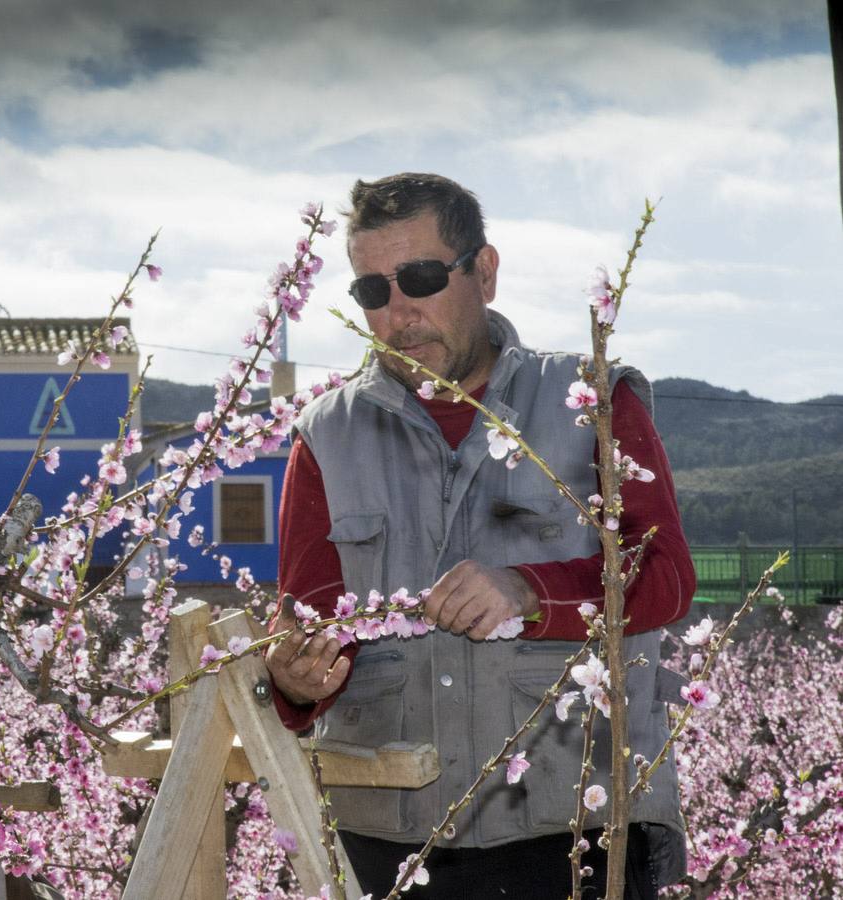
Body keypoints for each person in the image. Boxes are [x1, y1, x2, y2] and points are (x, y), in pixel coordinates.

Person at [264, 174, 694, 899]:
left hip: (575, 828)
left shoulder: (592, 399)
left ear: (484, 272)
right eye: (372, 291)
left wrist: (531, 590)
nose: (399, 314)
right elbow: (308, 622)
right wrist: (294, 677)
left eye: (421, 278)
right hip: (388, 841)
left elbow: (667, 577)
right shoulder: (323, 437)